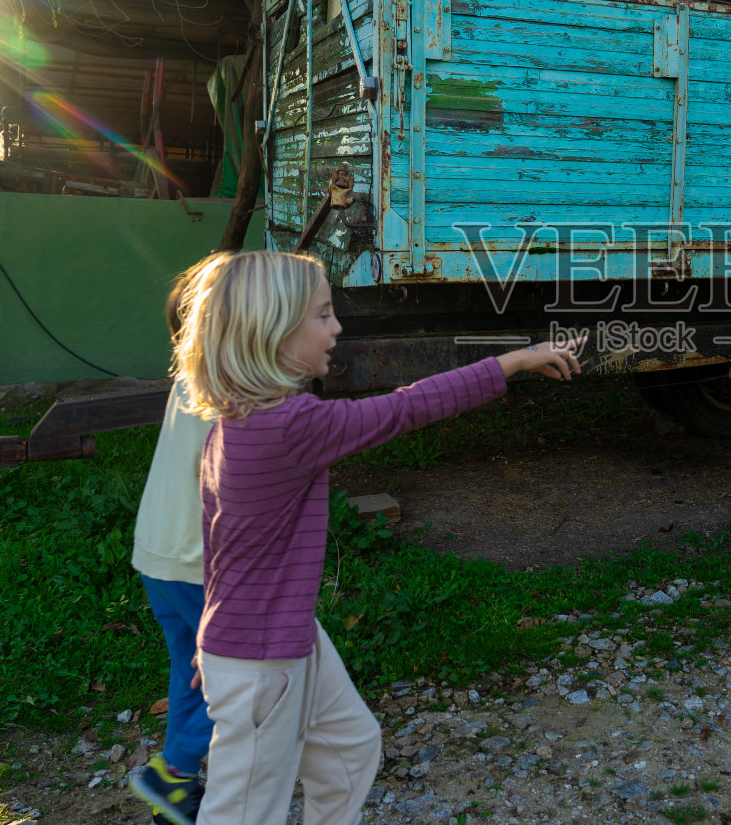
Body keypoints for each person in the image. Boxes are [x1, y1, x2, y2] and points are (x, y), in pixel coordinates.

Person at [173, 250, 581, 825]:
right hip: (262, 660)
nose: (337, 327)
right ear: (274, 332)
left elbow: (218, 541)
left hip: (275, 636)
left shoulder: (237, 419)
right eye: (322, 316)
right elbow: (405, 409)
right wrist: (515, 361)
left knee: (350, 748)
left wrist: (208, 636)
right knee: (242, 813)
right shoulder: (290, 427)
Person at [129, 262, 218, 824]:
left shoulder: (192, 373)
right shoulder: (229, 383)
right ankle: (188, 778)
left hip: (158, 553)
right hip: (196, 560)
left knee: (192, 670)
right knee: (238, 679)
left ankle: (176, 781)